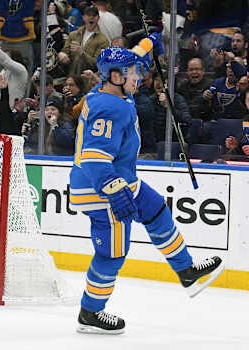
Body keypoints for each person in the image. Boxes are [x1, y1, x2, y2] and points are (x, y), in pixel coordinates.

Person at [69, 46, 224, 334]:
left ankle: (186, 271)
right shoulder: (110, 107)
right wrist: (113, 189)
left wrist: (149, 43)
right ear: (115, 76)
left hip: (122, 178)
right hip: (100, 187)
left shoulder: (113, 93)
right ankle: (90, 311)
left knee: (156, 210)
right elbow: (94, 157)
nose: (139, 76)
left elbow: (126, 55)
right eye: (133, 71)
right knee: (112, 255)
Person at [58, 5, 109, 75]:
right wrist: (62, 56)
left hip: (89, 80)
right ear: (83, 17)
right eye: (88, 15)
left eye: (94, 15)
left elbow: (98, 64)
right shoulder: (73, 35)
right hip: (72, 77)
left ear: (98, 18)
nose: (91, 17)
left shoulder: (103, 40)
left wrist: (82, 53)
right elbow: (65, 52)